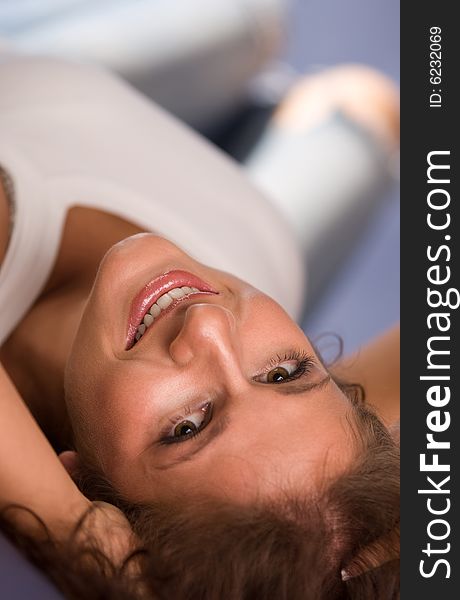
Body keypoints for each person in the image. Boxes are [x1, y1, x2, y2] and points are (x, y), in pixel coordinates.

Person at [0, 53, 399, 598]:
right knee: (358, 104)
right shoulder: (255, 264)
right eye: (285, 372)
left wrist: (74, 531)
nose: (208, 323)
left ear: (77, 482)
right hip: (250, 228)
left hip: (59, 73)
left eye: (186, 427)